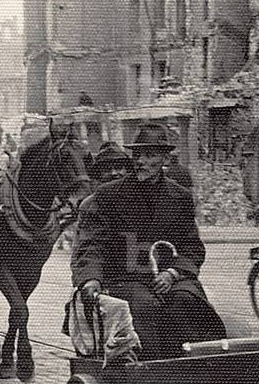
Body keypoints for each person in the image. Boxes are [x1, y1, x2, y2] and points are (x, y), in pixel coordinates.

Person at [71, 123, 226, 360]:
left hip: (171, 278)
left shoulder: (180, 197)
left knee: (187, 302)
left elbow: (192, 247)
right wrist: (91, 278)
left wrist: (173, 273)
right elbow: (92, 245)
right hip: (126, 279)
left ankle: (199, 370)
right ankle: (148, 375)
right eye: (137, 155)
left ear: (165, 158)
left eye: (149, 155)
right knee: (143, 308)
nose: (141, 161)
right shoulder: (109, 195)